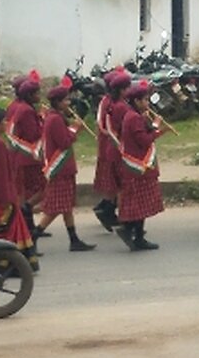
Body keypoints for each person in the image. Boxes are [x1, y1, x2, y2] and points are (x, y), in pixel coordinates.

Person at [33, 84, 96, 251]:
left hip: (64, 168)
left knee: (66, 206)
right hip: (60, 168)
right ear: (58, 102)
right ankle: (34, 235)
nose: (69, 103)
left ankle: (74, 239)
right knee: (56, 208)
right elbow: (64, 142)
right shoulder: (54, 119)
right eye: (66, 100)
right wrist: (76, 128)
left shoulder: (55, 117)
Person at [0, 107, 38, 270]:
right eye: (4, 121)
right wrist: (8, 199)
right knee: (7, 230)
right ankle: (9, 265)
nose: (6, 123)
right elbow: (1, 175)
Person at [116, 82, 166, 251]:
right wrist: (158, 128)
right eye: (144, 100)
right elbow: (143, 140)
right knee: (140, 204)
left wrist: (150, 124)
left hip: (136, 165)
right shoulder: (133, 117)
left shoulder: (135, 116)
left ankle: (133, 232)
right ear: (136, 101)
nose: (147, 103)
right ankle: (135, 235)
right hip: (138, 166)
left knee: (138, 203)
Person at [6, 76, 46, 240]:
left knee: (27, 191)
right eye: (37, 93)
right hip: (27, 156)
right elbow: (32, 134)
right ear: (29, 95)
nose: (39, 96)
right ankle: (26, 220)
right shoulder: (26, 110)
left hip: (20, 155)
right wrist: (43, 120)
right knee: (36, 190)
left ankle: (29, 226)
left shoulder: (18, 106)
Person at [92, 70, 132, 231]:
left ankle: (107, 209)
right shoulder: (112, 104)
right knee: (117, 183)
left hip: (109, 145)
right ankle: (110, 211)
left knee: (113, 182)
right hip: (112, 145)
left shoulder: (109, 102)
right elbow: (105, 127)